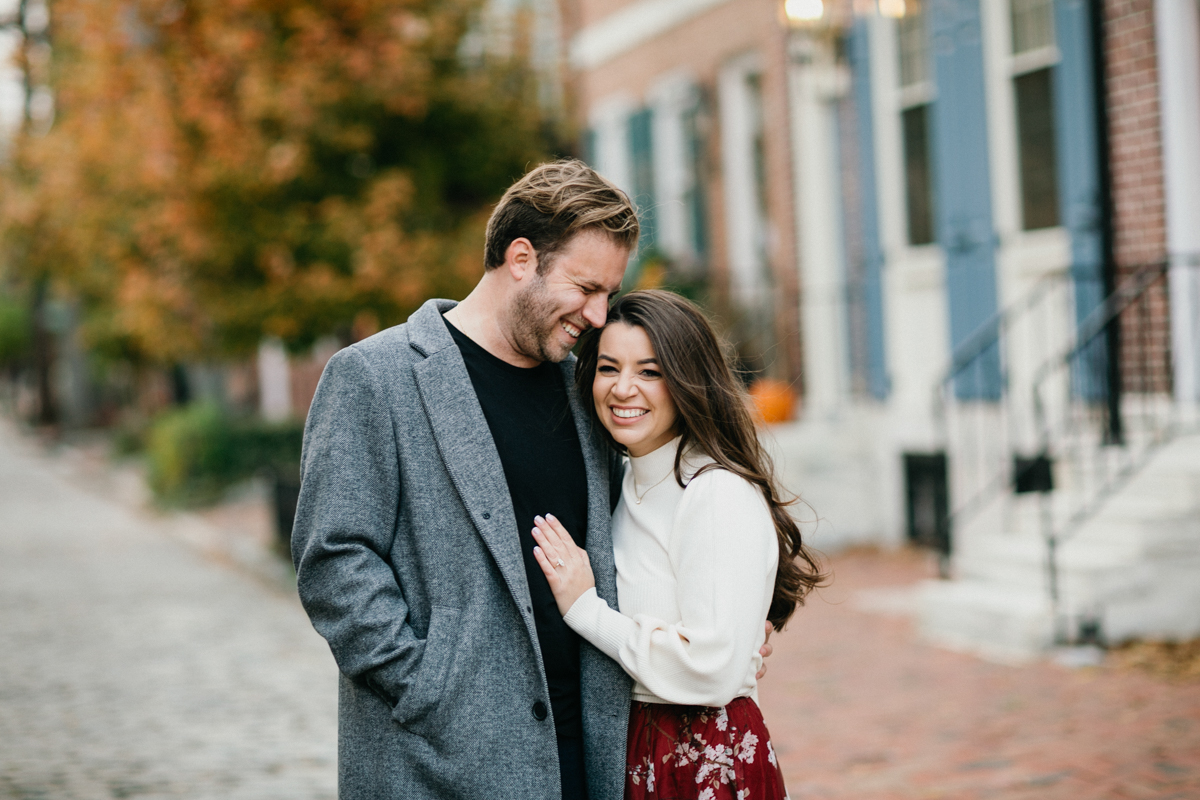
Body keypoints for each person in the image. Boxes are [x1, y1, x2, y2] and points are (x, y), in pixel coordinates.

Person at [291, 160, 771, 800]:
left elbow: (650, 530)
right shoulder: (373, 378)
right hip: (439, 760)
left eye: (609, 293)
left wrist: (729, 627)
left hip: (593, 758)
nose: (600, 315)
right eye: (586, 287)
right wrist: (428, 687)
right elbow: (334, 560)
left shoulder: (586, 390)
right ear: (522, 257)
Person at [529, 290, 826, 800]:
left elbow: (709, 672)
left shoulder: (713, 492)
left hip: (702, 758)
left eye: (650, 371)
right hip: (638, 748)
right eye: (608, 368)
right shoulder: (624, 484)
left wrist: (586, 609)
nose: (624, 389)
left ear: (688, 380)